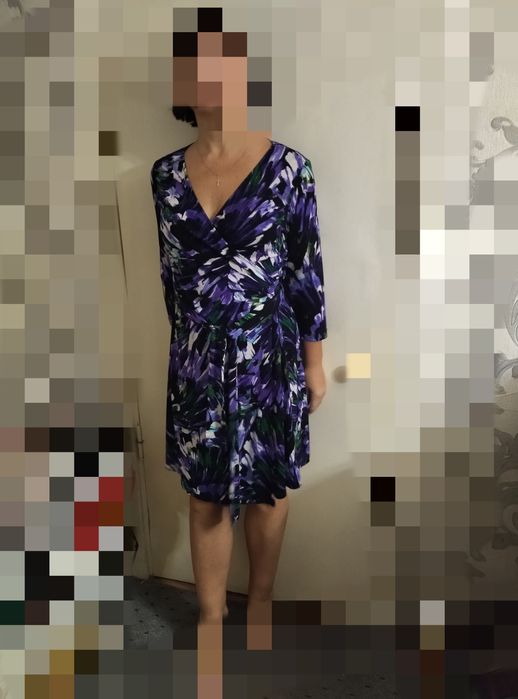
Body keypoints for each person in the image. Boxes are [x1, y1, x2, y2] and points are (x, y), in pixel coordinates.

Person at [150, 8, 328, 639]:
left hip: (270, 360)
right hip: (197, 363)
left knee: (267, 490)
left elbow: (306, 273)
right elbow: (171, 278)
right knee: (205, 497)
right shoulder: (165, 176)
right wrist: (187, 356)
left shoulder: (289, 170)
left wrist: (313, 362)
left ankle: (261, 602)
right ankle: (210, 613)